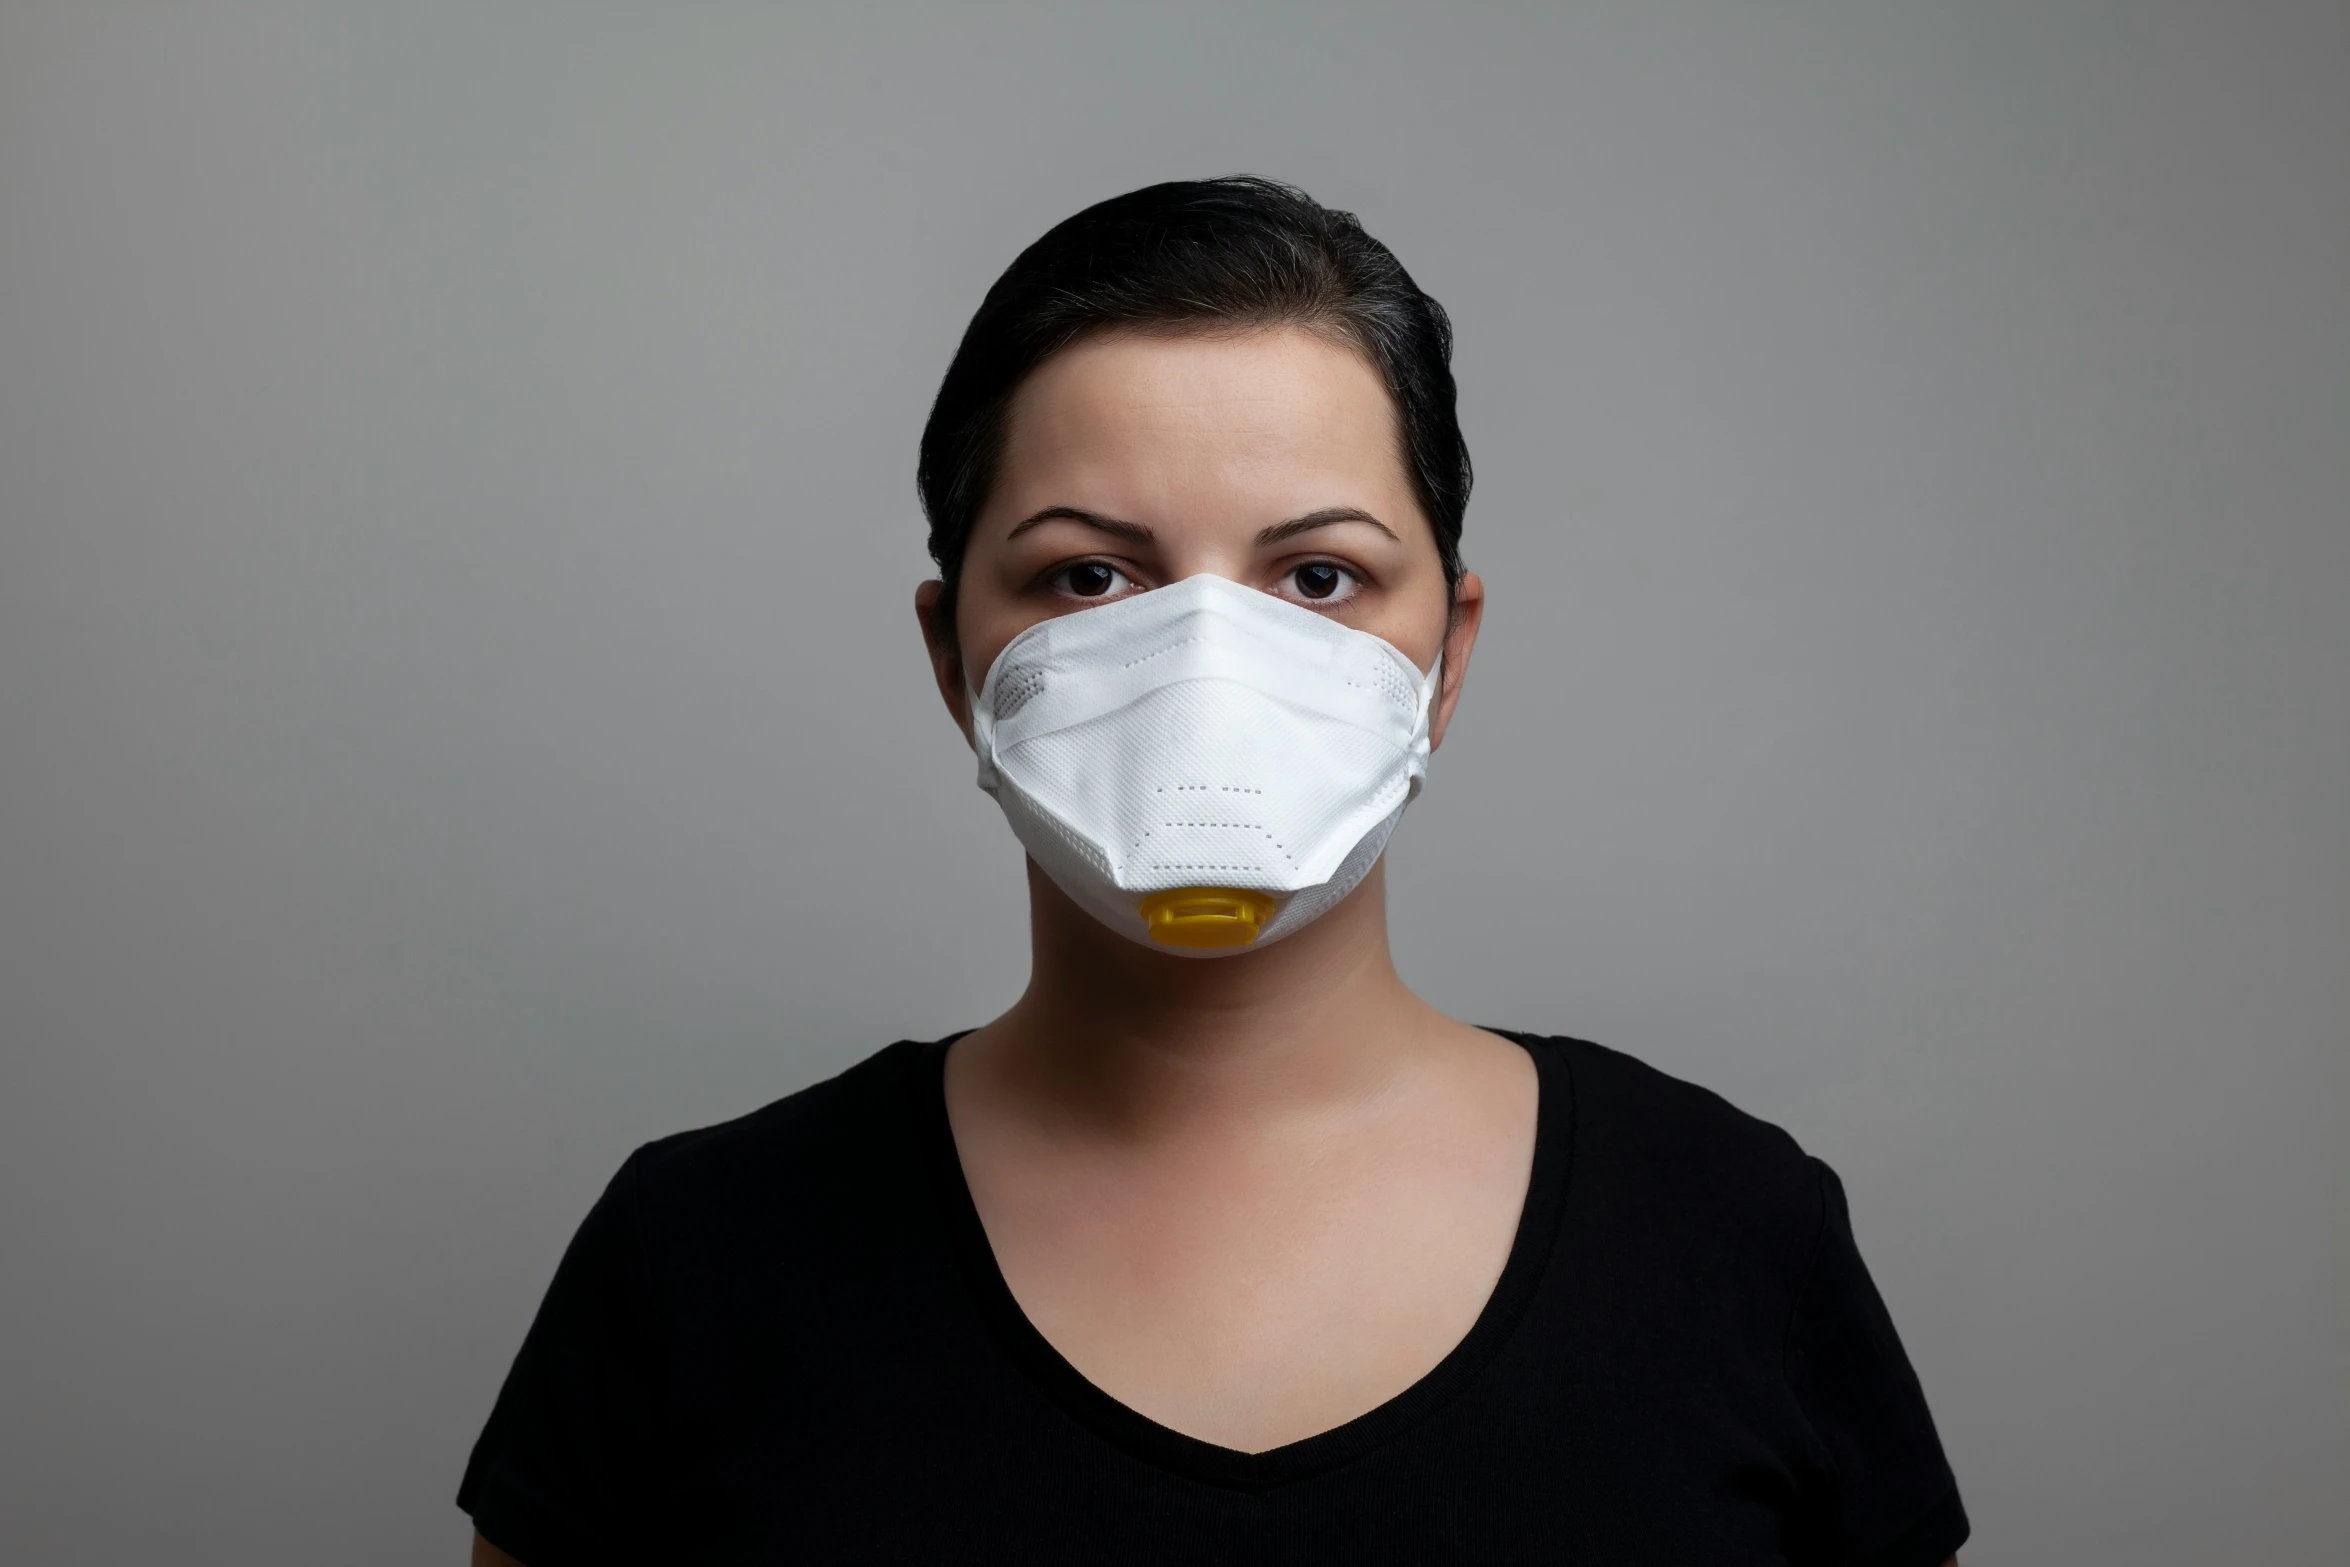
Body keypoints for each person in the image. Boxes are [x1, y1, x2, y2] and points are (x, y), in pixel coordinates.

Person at [458, 176, 1969, 1565]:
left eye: (1318, 577)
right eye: (1087, 576)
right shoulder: (700, 1256)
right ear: (952, 654)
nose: (1207, 668)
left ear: (1446, 654)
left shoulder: (1727, 1232)